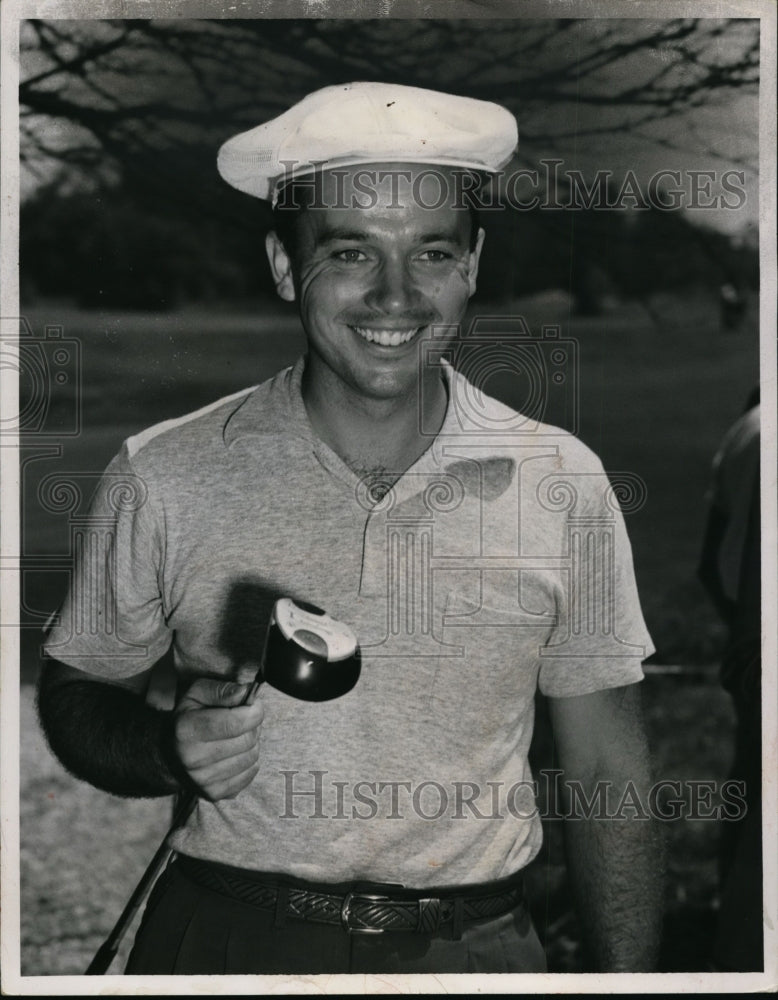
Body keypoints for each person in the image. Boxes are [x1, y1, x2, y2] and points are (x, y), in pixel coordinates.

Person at [37, 82, 662, 975]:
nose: (396, 296)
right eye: (351, 253)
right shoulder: (163, 472)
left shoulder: (565, 482)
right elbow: (76, 690)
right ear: (286, 266)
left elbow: (609, 779)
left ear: (473, 265)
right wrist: (164, 746)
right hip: (225, 939)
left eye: (433, 252)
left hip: (477, 953)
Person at [698, 389, 762, 970]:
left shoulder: (745, 428)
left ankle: (733, 934)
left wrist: (742, 636)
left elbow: (709, 559)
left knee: (748, 789)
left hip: (752, 640)